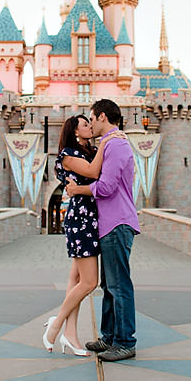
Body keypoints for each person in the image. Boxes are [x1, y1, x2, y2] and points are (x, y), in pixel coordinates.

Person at [41, 115, 125, 356]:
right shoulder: (68, 154)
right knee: (89, 282)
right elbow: (92, 170)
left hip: (95, 217)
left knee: (75, 280)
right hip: (81, 219)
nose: (90, 127)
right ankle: (56, 325)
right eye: (85, 124)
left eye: (91, 123)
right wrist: (109, 140)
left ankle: (71, 335)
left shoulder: (92, 150)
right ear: (75, 132)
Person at [65, 99, 140, 362]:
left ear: (103, 117)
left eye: (93, 119)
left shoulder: (117, 144)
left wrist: (78, 190)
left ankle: (125, 341)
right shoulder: (110, 143)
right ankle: (109, 336)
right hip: (110, 223)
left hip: (118, 222)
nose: (91, 124)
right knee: (110, 284)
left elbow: (106, 187)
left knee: (119, 285)